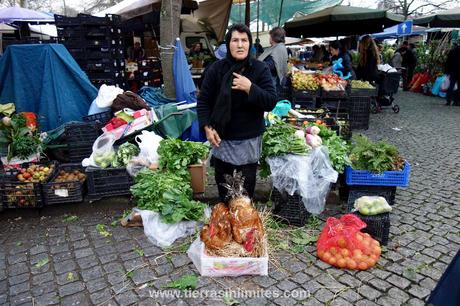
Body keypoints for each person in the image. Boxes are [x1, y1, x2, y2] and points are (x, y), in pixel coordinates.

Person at [197, 24, 277, 201]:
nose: (240, 45)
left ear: (249, 44)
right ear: (228, 44)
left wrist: (250, 88)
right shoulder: (216, 70)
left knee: (244, 194)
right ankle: (226, 223)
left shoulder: (259, 69)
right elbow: (204, 102)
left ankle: (244, 225)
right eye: (235, 40)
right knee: (225, 192)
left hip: (248, 140)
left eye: (244, 40)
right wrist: (207, 126)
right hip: (221, 138)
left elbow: (271, 101)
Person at [258, 27, 289, 94]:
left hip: (272, 81)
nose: (269, 38)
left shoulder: (278, 48)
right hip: (273, 80)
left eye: (270, 36)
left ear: (274, 37)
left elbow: (272, 65)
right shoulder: (280, 47)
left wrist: (258, 64)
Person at [444, 41, 460, 106]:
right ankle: (457, 101)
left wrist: (447, 71)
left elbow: (448, 62)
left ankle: (448, 101)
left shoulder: (452, 51)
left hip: (453, 71)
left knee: (451, 86)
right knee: (459, 88)